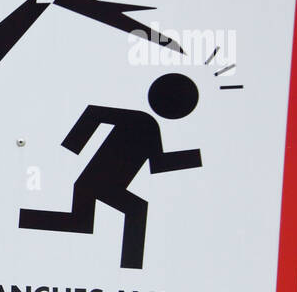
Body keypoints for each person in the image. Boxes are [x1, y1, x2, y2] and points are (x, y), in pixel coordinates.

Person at [18, 73, 202, 269]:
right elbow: (95, 113)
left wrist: (75, 142)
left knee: (80, 221)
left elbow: (156, 164)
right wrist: (74, 143)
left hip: (97, 185)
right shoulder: (143, 122)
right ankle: (131, 265)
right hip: (96, 184)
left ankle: (26, 219)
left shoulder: (147, 124)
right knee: (132, 210)